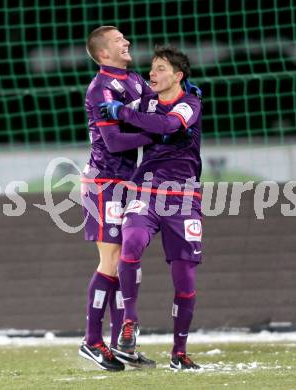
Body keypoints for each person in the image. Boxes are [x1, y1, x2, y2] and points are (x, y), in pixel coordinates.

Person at [100, 46, 203, 370]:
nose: (152, 75)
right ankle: (130, 322)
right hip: (145, 190)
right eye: (152, 69)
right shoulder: (144, 102)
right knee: (130, 243)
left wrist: (125, 114)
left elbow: (170, 126)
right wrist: (110, 109)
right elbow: (105, 116)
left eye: (160, 69)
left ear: (178, 75)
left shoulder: (191, 104)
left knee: (184, 278)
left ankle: (179, 352)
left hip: (183, 198)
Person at [79, 25, 156, 371]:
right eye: (117, 40)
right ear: (103, 53)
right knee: (110, 262)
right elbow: (113, 143)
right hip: (105, 183)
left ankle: (122, 343)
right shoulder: (100, 89)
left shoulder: (136, 80)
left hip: (131, 182)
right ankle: (92, 341)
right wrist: (158, 135)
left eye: (126, 36)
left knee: (128, 261)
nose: (126, 41)